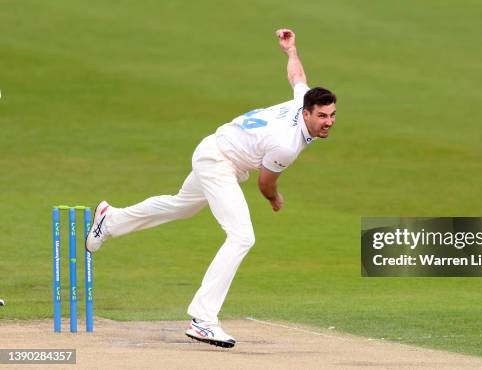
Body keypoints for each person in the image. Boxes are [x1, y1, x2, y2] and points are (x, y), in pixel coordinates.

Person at [85, 28, 337, 348]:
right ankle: (203, 319)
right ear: (306, 112)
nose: (328, 121)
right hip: (219, 161)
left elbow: (297, 75)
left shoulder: (303, 100)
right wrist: (274, 198)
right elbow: (265, 182)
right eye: (322, 116)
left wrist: (291, 51)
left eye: (331, 115)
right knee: (242, 236)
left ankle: (111, 219)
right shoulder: (287, 144)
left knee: (182, 205)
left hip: (214, 151)